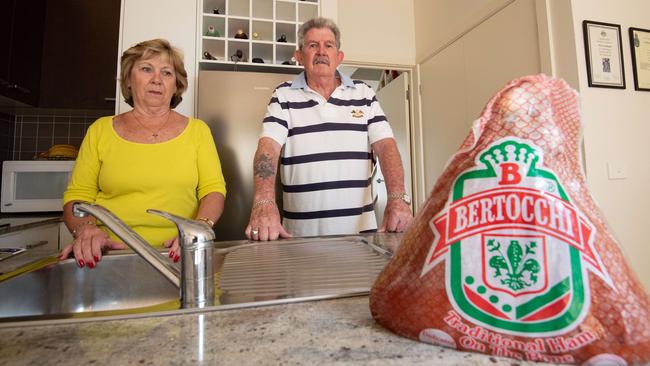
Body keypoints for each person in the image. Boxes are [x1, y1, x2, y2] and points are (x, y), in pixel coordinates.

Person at [59, 39, 226, 267]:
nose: (156, 79)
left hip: (180, 252)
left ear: (176, 84)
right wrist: (86, 230)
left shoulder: (198, 131)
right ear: (128, 78)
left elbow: (213, 190)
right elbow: (77, 197)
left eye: (167, 73)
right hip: (110, 254)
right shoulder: (100, 130)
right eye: (146, 69)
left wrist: (199, 227)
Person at [245, 17, 412, 241]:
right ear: (299, 56)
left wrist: (398, 197)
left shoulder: (364, 94)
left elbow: (386, 146)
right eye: (313, 45)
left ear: (339, 57)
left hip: (360, 236)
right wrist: (263, 201)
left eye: (329, 45)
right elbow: (269, 147)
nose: (321, 51)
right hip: (299, 239)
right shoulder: (283, 95)